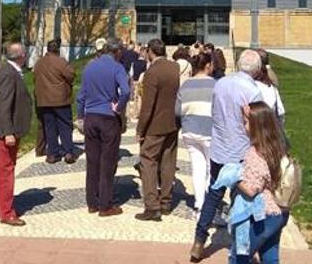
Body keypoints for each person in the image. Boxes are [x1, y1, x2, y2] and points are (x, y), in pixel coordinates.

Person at [190, 50, 264, 262]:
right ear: (257, 70)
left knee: (213, 194)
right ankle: (243, 247)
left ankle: (198, 240)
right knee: (242, 200)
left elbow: (214, 111)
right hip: (241, 150)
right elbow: (256, 124)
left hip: (220, 147)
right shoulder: (253, 91)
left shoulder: (220, 84)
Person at [229, 102, 291, 264]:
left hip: (262, 214)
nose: (244, 127)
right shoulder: (278, 148)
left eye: (246, 122)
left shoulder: (255, 154)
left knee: (239, 255)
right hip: (279, 212)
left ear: (257, 126)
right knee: (270, 255)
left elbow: (251, 190)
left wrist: (234, 178)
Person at [77, 37, 131, 217]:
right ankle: (105, 204)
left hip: (91, 116)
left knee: (92, 161)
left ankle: (92, 201)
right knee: (107, 162)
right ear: (117, 52)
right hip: (108, 117)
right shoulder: (117, 67)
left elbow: (81, 96)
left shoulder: (90, 66)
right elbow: (126, 91)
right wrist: (119, 106)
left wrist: (80, 116)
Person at [0, 43, 32, 226]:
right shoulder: (9, 74)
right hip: (5, 130)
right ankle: (6, 212)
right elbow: (4, 105)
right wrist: (8, 132)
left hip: (5, 129)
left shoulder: (10, 71)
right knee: (5, 170)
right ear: (21, 55)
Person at [135, 39, 181, 221]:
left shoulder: (152, 72)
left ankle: (152, 206)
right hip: (172, 122)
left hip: (155, 124)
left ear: (150, 52)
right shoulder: (174, 68)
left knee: (148, 161)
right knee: (168, 161)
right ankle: (166, 202)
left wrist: (140, 129)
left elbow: (148, 105)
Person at [176, 52, 216, 220]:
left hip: (189, 130)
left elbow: (177, 110)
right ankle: (208, 207)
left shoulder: (185, 85)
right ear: (208, 66)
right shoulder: (216, 85)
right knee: (211, 171)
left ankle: (199, 204)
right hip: (209, 131)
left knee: (197, 169)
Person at [33, 39, 77, 164]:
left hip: (44, 100)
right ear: (57, 49)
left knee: (49, 127)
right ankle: (68, 151)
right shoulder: (61, 62)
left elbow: (35, 78)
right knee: (65, 126)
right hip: (61, 99)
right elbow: (71, 75)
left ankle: (52, 153)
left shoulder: (39, 63)